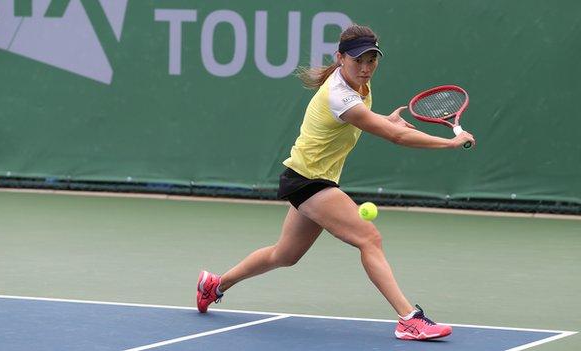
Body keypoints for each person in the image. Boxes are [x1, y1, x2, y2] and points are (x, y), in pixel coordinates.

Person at [196, 24, 475, 341]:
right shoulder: (339, 94)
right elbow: (395, 136)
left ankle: (214, 284)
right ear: (340, 58)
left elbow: (366, 120)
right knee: (369, 238)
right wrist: (449, 143)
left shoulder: (358, 87)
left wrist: (384, 118)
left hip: (312, 178)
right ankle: (409, 319)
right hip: (309, 181)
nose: (366, 68)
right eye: (359, 61)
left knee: (284, 255)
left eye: (372, 60)